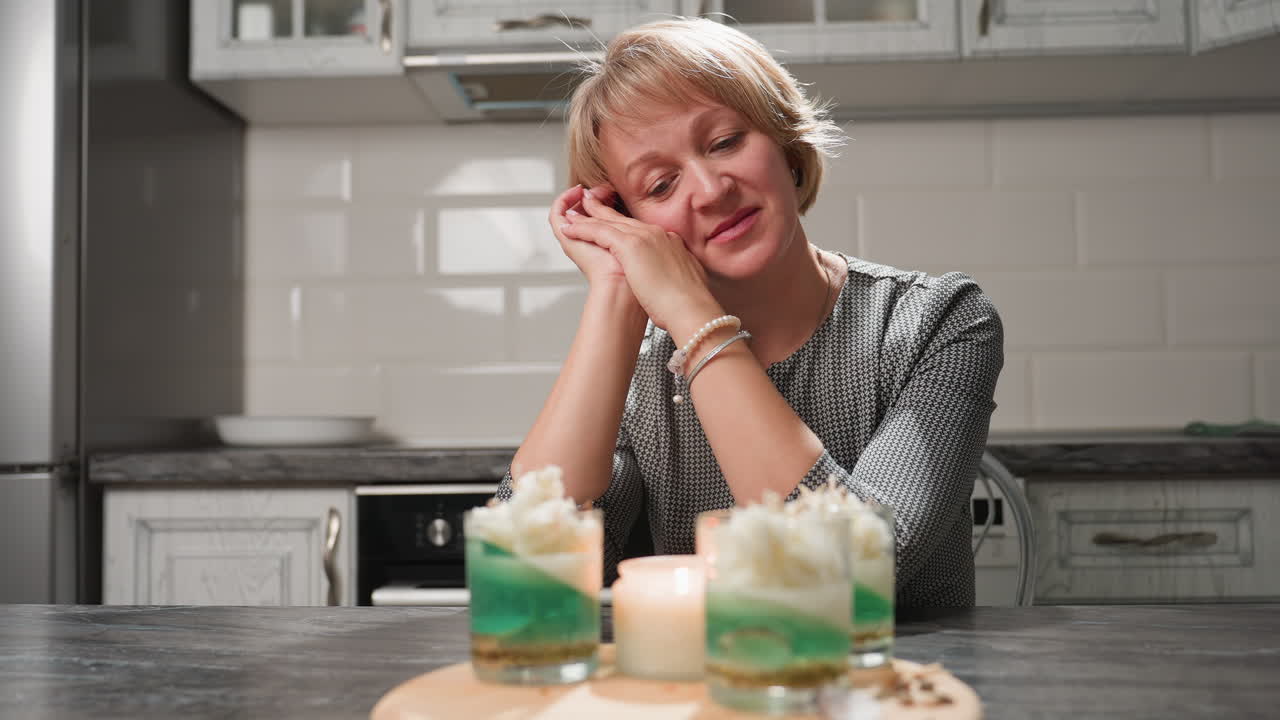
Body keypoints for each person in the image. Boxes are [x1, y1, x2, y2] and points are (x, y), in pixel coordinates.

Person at [495, 17, 1003, 607]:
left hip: (905, 694)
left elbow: (856, 575)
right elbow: (527, 573)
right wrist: (615, 288)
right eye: (660, 185)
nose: (711, 190)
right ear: (629, 223)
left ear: (786, 144)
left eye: (726, 142)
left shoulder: (937, 321)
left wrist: (691, 313)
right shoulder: (640, 377)